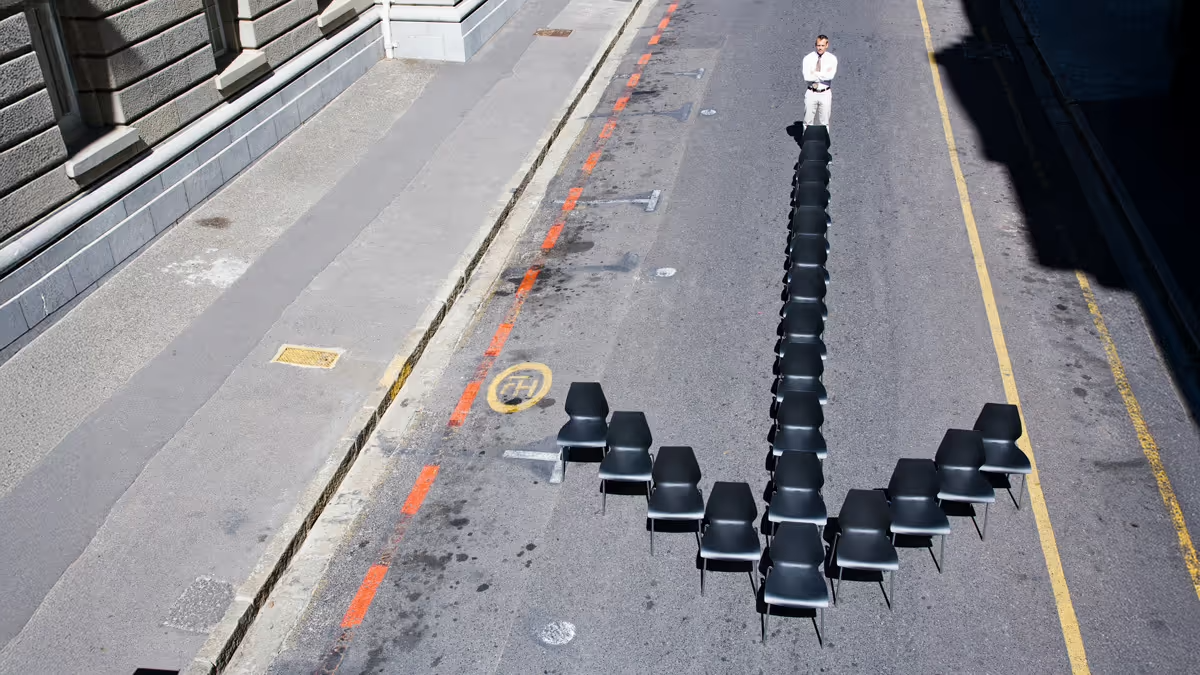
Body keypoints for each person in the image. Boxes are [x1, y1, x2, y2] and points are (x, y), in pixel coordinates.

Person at [802, 35, 837, 127]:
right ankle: (807, 141)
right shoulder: (808, 59)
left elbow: (830, 76)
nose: (820, 48)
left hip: (825, 93)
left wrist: (814, 73)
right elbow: (807, 77)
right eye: (818, 45)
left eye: (822, 45)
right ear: (815, 45)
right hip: (811, 93)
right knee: (807, 121)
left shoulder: (832, 59)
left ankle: (824, 141)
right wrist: (823, 74)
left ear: (827, 45)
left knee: (824, 122)